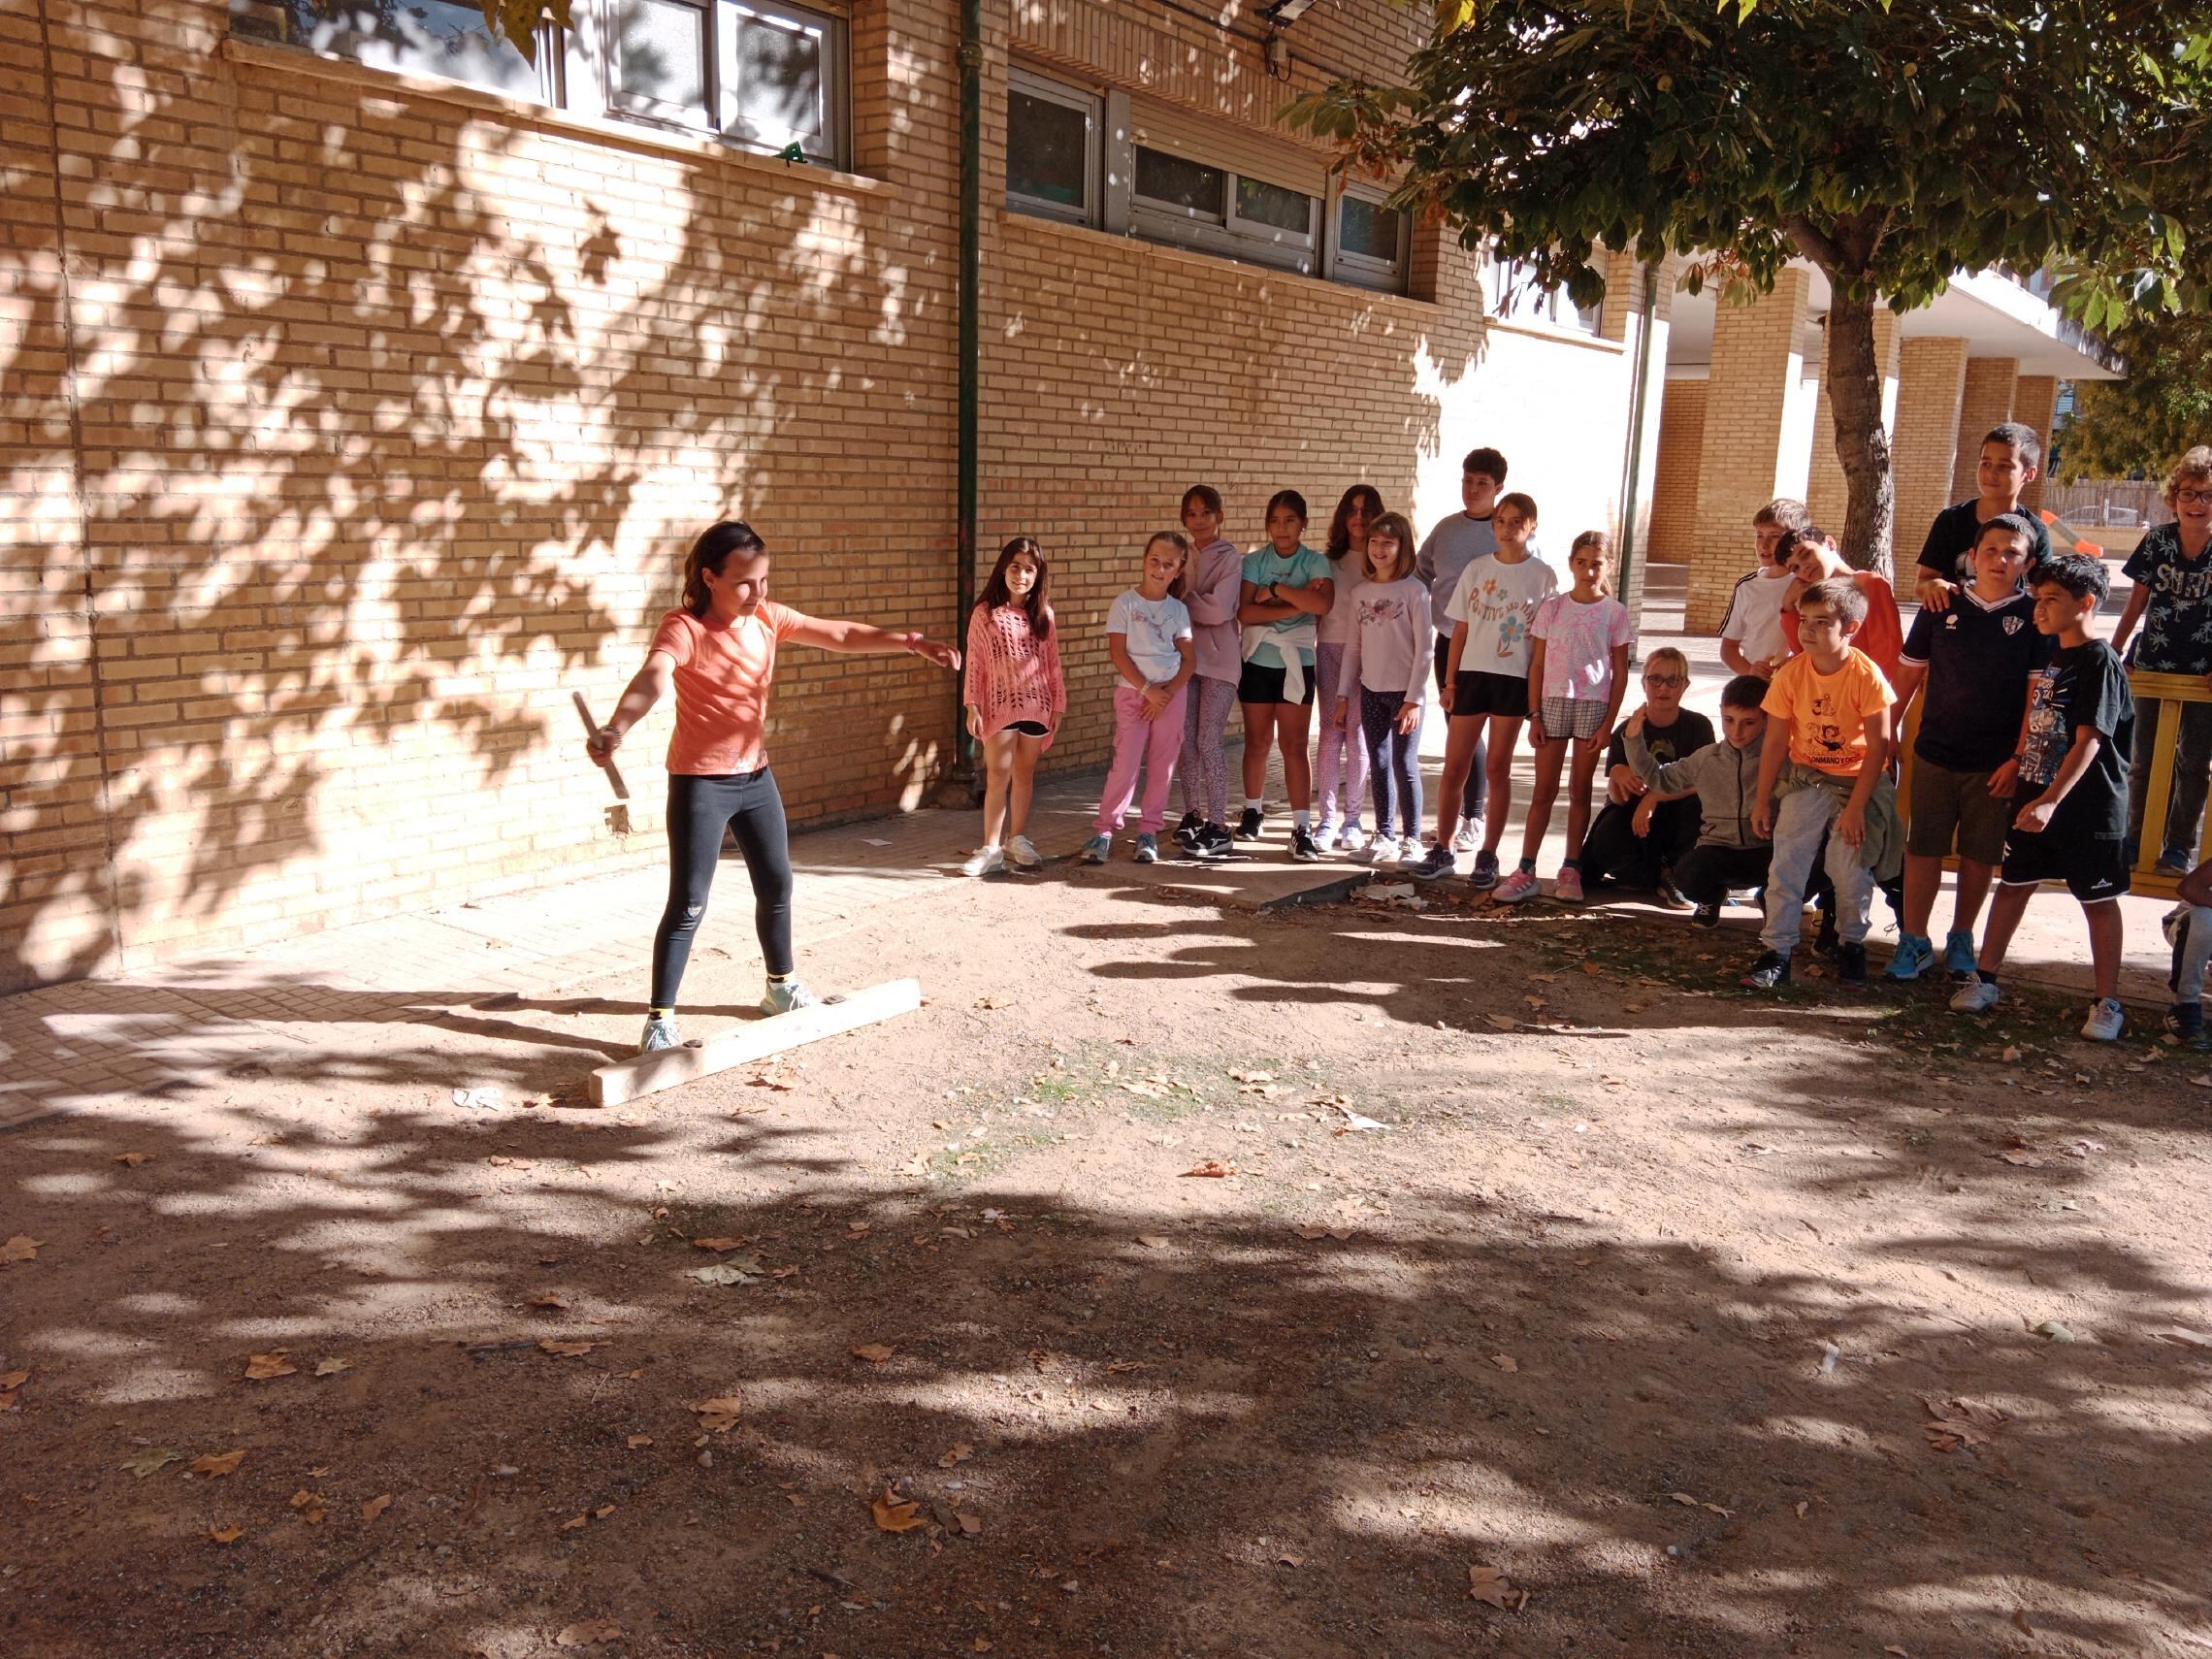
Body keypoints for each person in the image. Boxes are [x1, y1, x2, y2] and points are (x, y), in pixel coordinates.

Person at [586, 520, 960, 1053]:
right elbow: (654, 675)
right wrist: (617, 727)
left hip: (756, 777)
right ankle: (660, 1018)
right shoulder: (684, 628)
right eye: (744, 582)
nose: (758, 593)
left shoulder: (766, 617)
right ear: (709, 577)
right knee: (690, 902)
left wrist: (913, 643)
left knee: (778, 884)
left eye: (764, 580)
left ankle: (780, 988)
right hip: (701, 783)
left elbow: (840, 634)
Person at [1950, 551, 2134, 1040]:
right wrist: (2021, 770)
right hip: (2033, 801)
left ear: (2086, 602)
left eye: (2051, 599)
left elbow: (2090, 739)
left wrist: (2053, 799)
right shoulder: (2056, 656)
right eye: (2037, 598)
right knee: (2013, 885)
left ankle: (2107, 1002)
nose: (2039, 608)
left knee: (2098, 901)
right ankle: (1985, 977)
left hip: (2087, 809)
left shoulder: (2100, 660)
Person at [1885, 513, 2053, 982]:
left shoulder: (2035, 617)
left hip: (1995, 764)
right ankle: (1913, 939)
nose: (2000, 559)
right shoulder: (1941, 605)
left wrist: (2018, 757)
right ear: (1972, 556)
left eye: (2013, 552)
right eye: (1992, 550)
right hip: (1935, 752)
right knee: (1923, 849)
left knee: (1980, 856)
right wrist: (1887, 735)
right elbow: (1906, 676)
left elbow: (2035, 697)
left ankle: (1962, 936)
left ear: (2028, 563)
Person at [1740, 578, 1901, 992]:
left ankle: (1851, 945)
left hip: (1855, 785)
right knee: (1786, 864)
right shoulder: (1791, 674)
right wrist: (1762, 801)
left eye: (1821, 622)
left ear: (1850, 628)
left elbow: (1878, 748)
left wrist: (1855, 808)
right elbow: (1775, 741)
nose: (1806, 630)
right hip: (1805, 778)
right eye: (1804, 620)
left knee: (1848, 870)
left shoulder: (1866, 676)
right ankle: (1777, 951)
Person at [1413, 491, 1555, 889]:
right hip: (1472, 675)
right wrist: (1451, 681)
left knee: (1497, 768)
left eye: (1516, 522)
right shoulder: (1476, 569)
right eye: (1501, 521)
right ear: (1493, 525)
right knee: (1455, 765)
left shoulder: (1543, 576)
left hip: (1513, 679)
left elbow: (1543, 641)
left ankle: (1488, 854)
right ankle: (1443, 847)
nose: (1507, 529)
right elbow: (1460, 628)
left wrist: (1536, 698)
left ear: (1531, 527)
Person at [1495, 531, 1633, 904]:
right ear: (1572, 563)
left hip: (1593, 706)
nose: (1589, 571)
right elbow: (1536, 663)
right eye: (1582, 562)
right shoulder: (1553, 609)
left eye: (1597, 564)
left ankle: (1571, 867)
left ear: (1608, 567)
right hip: (1552, 704)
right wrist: (1534, 715)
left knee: (1580, 790)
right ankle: (1526, 867)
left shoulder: (1615, 613)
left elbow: (1619, 672)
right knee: (1544, 790)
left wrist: (1608, 726)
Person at [1415, 447, 1522, 853]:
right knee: (1459, 728)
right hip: (1449, 643)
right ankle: (1465, 815)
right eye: (1467, 481)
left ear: (1498, 488)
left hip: (1497, 650)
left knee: (1489, 736)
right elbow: (1420, 574)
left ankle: (1475, 817)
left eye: (1482, 484)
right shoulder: (1445, 529)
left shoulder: (1508, 534)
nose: (1472, 490)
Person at [2113, 446, 2212, 873]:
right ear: (2174, 498)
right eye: (2189, 494)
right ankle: (2136, 838)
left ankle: (2176, 845)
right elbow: (2137, 601)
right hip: (2153, 661)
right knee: (2145, 758)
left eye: (2208, 495)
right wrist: (2113, 650)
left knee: (2194, 761)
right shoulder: (2158, 540)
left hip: (2203, 673)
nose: (2198, 503)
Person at [1082, 533, 1196, 865]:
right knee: (1126, 765)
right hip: (1134, 694)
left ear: (1178, 570)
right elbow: (1118, 653)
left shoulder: (1178, 610)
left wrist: (1166, 695)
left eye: (1169, 564)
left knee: (1162, 766)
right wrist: (1148, 691)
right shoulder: (1125, 604)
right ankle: (1104, 831)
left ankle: (1148, 832)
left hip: (1170, 698)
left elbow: (1190, 660)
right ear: (1144, 561)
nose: (1160, 569)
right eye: (1154, 561)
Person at [1627, 673, 1773, 927]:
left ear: (1766, 719)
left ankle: (1774, 898)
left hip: (1769, 850)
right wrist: (1634, 741)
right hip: (1719, 850)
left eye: (1748, 722)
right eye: (1729, 720)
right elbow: (1659, 779)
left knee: (1818, 864)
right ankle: (1711, 896)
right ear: (1721, 713)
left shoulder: (1780, 758)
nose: (1736, 731)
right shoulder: (1707, 758)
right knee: (1686, 875)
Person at [1236, 489, 1336, 860]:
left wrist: (1276, 591)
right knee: (1257, 742)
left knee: (1293, 746)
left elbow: (1322, 603)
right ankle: (1252, 809)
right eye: (1275, 520)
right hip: (1258, 660)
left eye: (1290, 520)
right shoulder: (1254, 561)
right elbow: (1245, 613)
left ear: (1303, 524)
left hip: (1298, 661)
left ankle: (1301, 827)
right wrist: (1294, 602)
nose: (1282, 527)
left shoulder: (1315, 562)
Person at [960, 537, 1064, 877]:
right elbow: (975, 662)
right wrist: (972, 705)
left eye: (1029, 569)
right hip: (999, 706)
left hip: (1036, 706)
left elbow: (1052, 664)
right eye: (1015, 567)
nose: (1021, 575)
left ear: (1038, 575)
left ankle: (1017, 838)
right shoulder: (985, 614)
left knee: (1024, 774)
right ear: (1003, 569)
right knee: (997, 775)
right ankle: (991, 847)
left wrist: (1058, 705)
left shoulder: (1043, 615)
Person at [1334, 510, 1433, 866]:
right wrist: (1344, 695)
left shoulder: (1414, 591)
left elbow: (1425, 649)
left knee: (1404, 764)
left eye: (1388, 542)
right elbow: (1354, 649)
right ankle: (1385, 834)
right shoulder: (1361, 593)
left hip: (1405, 696)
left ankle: (1412, 839)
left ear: (1402, 547)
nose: (1379, 548)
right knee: (1377, 762)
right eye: (1374, 541)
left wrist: (1414, 699)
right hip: (1371, 691)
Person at [1580, 647, 1714, 897]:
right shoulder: (1628, 728)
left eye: (1673, 680)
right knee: (1605, 841)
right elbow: (1618, 798)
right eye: (1655, 679)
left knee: (1698, 808)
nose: (1663, 688)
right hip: (1636, 813)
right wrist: (1619, 779)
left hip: (1678, 809)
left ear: (1685, 685)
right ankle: (1651, 873)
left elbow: (1704, 782)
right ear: (1644, 683)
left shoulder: (1699, 726)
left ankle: (1672, 872)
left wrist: (1655, 797)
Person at [1171, 485, 1243, 862]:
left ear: (1219, 516)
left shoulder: (1230, 558)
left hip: (1220, 662)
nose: (1198, 521)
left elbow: (1219, 612)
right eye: (1192, 514)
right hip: (1186, 661)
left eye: (1206, 513)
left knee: (1208, 740)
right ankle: (1192, 816)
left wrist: (1186, 603)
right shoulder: (1180, 556)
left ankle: (1219, 826)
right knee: (1186, 741)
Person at [1913, 423, 2053, 612]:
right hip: (1952, 623)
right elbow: (1923, 582)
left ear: (2029, 474)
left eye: (2004, 466)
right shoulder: (1951, 520)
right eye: (1985, 463)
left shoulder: (2035, 530)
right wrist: (1934, 586)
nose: (1992, 473)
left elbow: (2044, 594)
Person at [1314, 485, 1382, 853]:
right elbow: (1315, 613)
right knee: (1330, 735)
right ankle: (1325, 820)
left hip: (1369, 657)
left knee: (1357, 737)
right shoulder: (1326, 562)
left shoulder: (1382, 563)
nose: (1358, 518)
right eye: (1351, 510)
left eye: (1365, 511)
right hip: (1330, 651)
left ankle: (1352, 820)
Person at [1775, 526, 1905, 686]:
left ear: (1829, 543)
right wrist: (1788, 607)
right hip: (1830, 693)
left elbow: (1888, 654)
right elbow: (1804, 653)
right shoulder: (1816, 598)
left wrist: (1873, 696)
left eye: (1806, 554)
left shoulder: (1869, 584)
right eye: (1795, 568)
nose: (1804, 568)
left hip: (1866, 692)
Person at [1719, 498, 1809, 678]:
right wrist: (1750, 671)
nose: (1763, 544)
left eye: (1774, 536)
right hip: (1756, 686)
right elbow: (1729, 648)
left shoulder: (1805, 584)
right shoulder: (1746, 586)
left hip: (1796, 682)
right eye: (1759, 535)